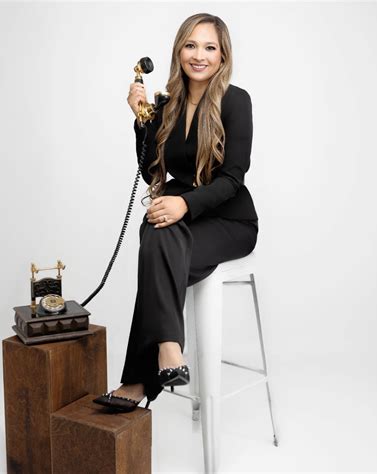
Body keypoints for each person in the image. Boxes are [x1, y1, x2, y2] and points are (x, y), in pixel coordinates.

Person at [93, 12, 258, 413]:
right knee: (158, 234)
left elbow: (233, 177)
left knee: (158, 243)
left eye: (209, 47)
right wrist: (141, 120)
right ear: (178, 51)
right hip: (180, 215)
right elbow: (152, 170)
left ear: (222, 55)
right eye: (191, 45)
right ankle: (168, 351)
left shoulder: (235, 100)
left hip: (229, 220)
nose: (199, 55)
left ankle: (140, 378)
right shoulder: (167, 104)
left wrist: (185, 203)